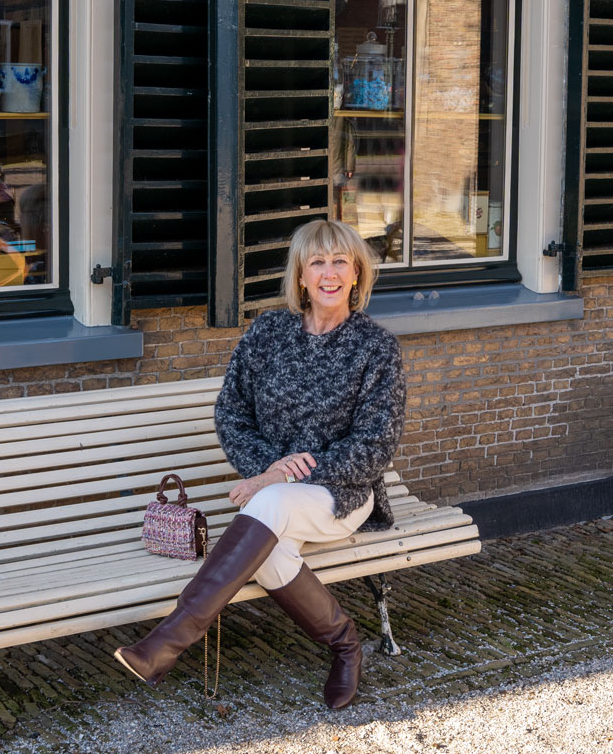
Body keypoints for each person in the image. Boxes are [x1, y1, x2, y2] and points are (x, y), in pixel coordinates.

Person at [114, 219, 406, 709]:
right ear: (300, 276)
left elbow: (375, 447)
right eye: (317, 262)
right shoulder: (267, 333)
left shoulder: (376, 348)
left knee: (270, 502)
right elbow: (231, 413)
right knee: (270, 549)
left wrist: (281, 475)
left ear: (357, 275)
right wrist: (271, 468)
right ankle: (346, 645)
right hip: (274, 499)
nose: (328, 273)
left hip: (344, 493)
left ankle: (167, 643)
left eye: (340, 262)